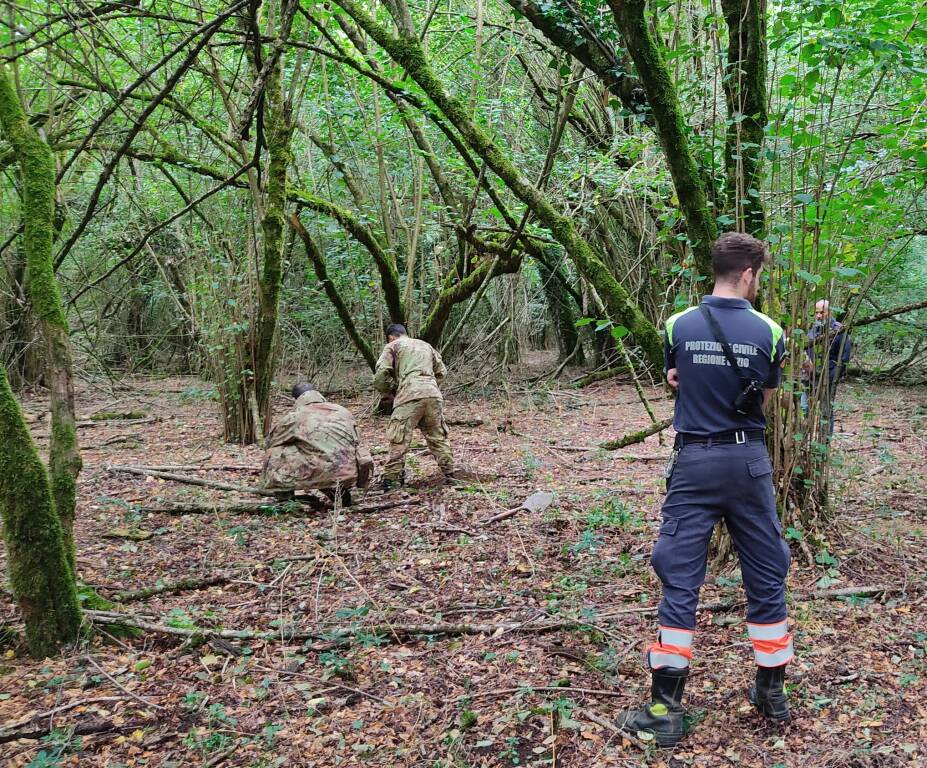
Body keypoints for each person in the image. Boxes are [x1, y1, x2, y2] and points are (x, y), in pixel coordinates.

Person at [618, 232, 793, 747]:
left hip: (693, 461)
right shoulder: (770, 330)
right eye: (758, 275)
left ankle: (665, 707)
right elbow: (762, 395)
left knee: (679, 576)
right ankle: (771, 691)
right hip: (748, 462)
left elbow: (676, 375)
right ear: (747, 274)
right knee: (766, 568)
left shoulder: (677, 324)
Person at [373, 323, 457, 487]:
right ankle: (451, 475)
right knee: (438, 437)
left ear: (391, 337)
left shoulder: (392, 346)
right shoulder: (426, 345)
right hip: (433, 395)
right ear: (405, 333)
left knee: (399, 438)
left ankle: (391, 481)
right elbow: (442, 372)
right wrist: (429, 385)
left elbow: (381, 375)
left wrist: (390, 391)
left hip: (408, 396)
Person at [260, 383, 372, 504]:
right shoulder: (343, 411)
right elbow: (356, 440)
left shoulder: (296, 416)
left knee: (275, 452)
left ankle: (285, 498)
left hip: (319, 470)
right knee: (327, 454)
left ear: (296, 399)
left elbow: (270, 442)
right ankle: (339, 494)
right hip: (348, 471)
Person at [800, 299, 852, 435]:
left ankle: (825, 442)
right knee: (803, 408)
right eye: (816, 313)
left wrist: (830, 377)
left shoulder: (839, 330)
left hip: (827, 379)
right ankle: (803, 441)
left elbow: (844, 358)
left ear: (829, 312)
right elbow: (805, 350)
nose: (818, 316)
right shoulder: (813, 330)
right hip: (809, 379)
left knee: (825, 412)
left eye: (822, 313)